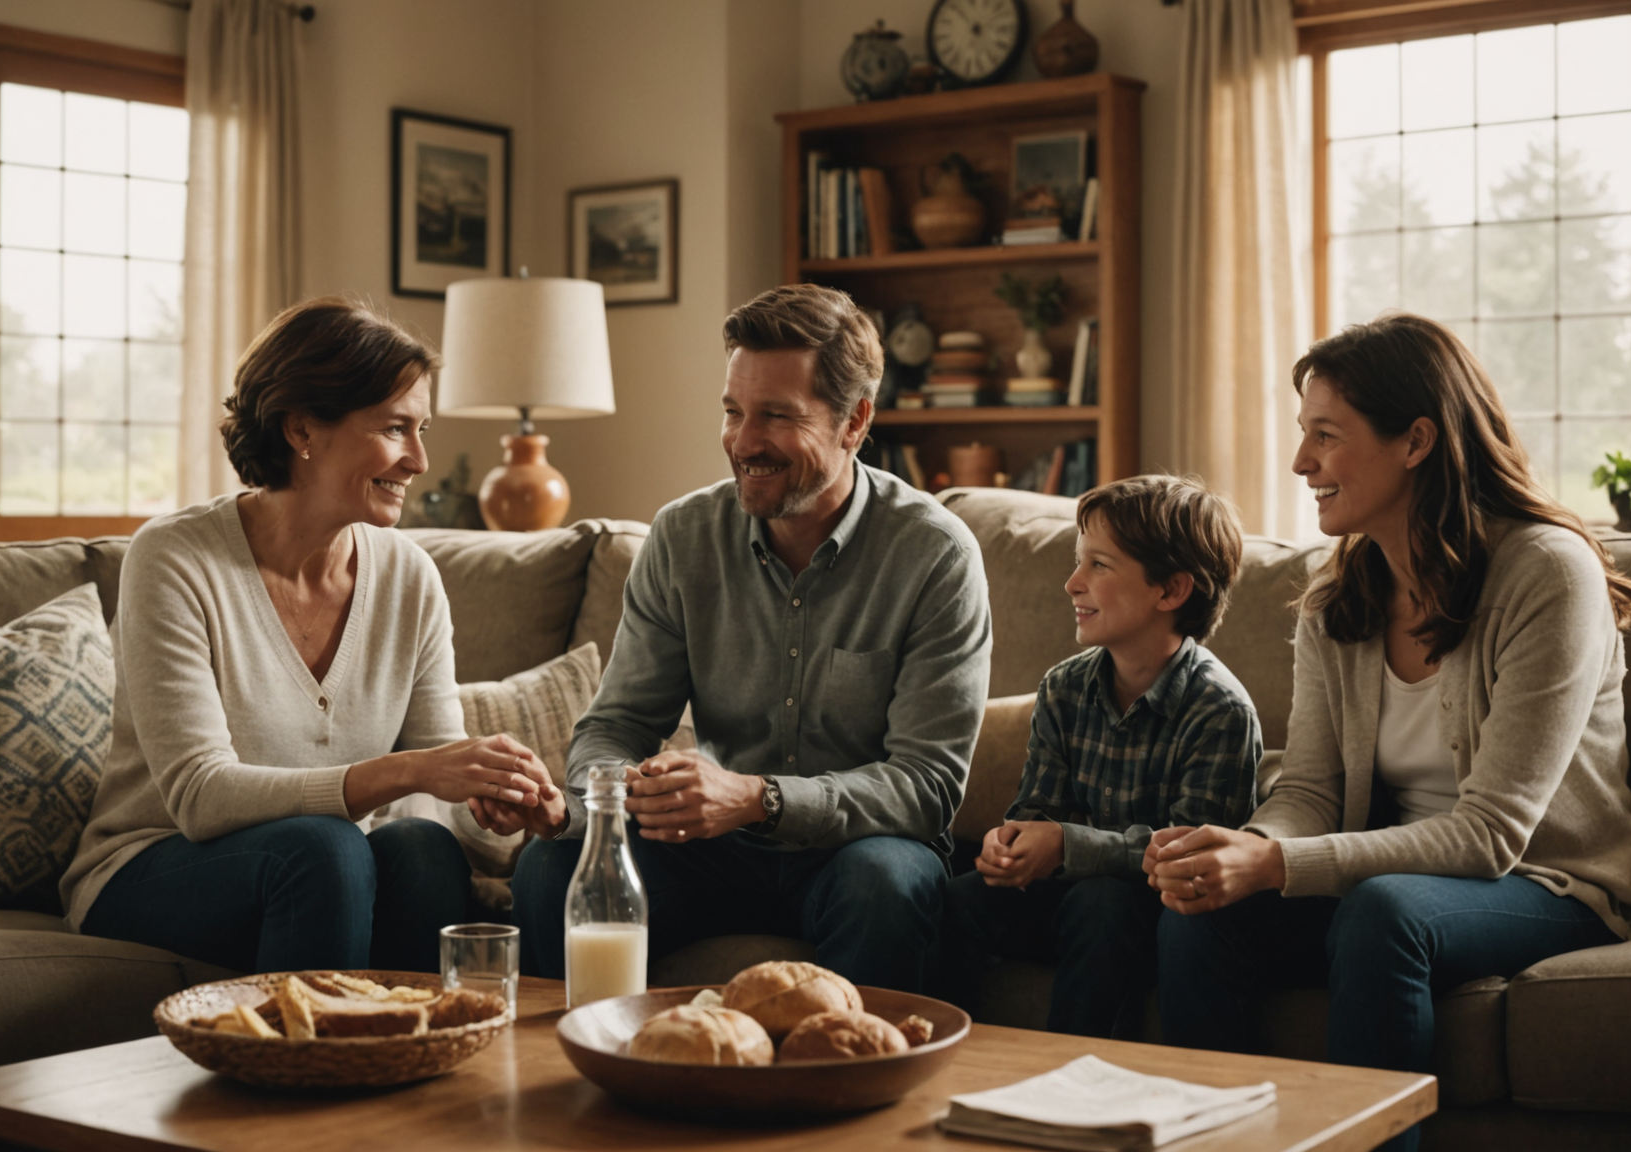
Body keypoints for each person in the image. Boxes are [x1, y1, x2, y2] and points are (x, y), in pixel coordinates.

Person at [1145, 314, 1631, 1152]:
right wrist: (1243, 850)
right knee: (1203, 908)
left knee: (1384, 912)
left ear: (1416, 440)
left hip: (1552, 884)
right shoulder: (1339, 592)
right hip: (1395, 875)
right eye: (1302, 435)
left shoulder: (1546, 572)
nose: (1301, 463)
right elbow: (1308, 789)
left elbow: (1493, 835)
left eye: (1326, 436)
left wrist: (1280, 862)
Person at [498, 284, 992, 993]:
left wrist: (759, 798)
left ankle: (863, 1097)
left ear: (855, 421)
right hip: (708, 850)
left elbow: (926, 786)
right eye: (733, 411)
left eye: (776, 416)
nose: (742, 441)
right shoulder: (683, 536)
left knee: (886, 881)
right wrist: (586, 806)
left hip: (857, 851)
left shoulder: (934, 555)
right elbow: (619, 724)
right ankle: (571, 1086)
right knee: (551, 868)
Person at [61, 297, 560, 974]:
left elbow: (439, 772)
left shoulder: (410, 578)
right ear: (302, 429)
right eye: (394, 429)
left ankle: (420, 1068)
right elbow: (202, 798)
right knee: (326, 848)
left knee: (420, 848)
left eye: (422, 430)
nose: (418, 459)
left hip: (326, 871)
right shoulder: (175, 559)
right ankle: (311, 1074)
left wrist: (503, 799)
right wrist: (409, 770)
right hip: (152, 868)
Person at [943, 475, 1262, 1039]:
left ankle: (1069, 1076)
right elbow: (1037, 806)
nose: (1072, 583)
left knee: (1102, 901)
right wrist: (1011, 845)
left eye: (1099, 566)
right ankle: (930, 1048)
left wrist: (1068, 845)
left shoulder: (1219, 710)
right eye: (1077, 561)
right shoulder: (1063, 687)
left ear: (1171, 591)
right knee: (955, 899)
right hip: (1062, 897)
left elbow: (1187, 854)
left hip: (1149, 912)